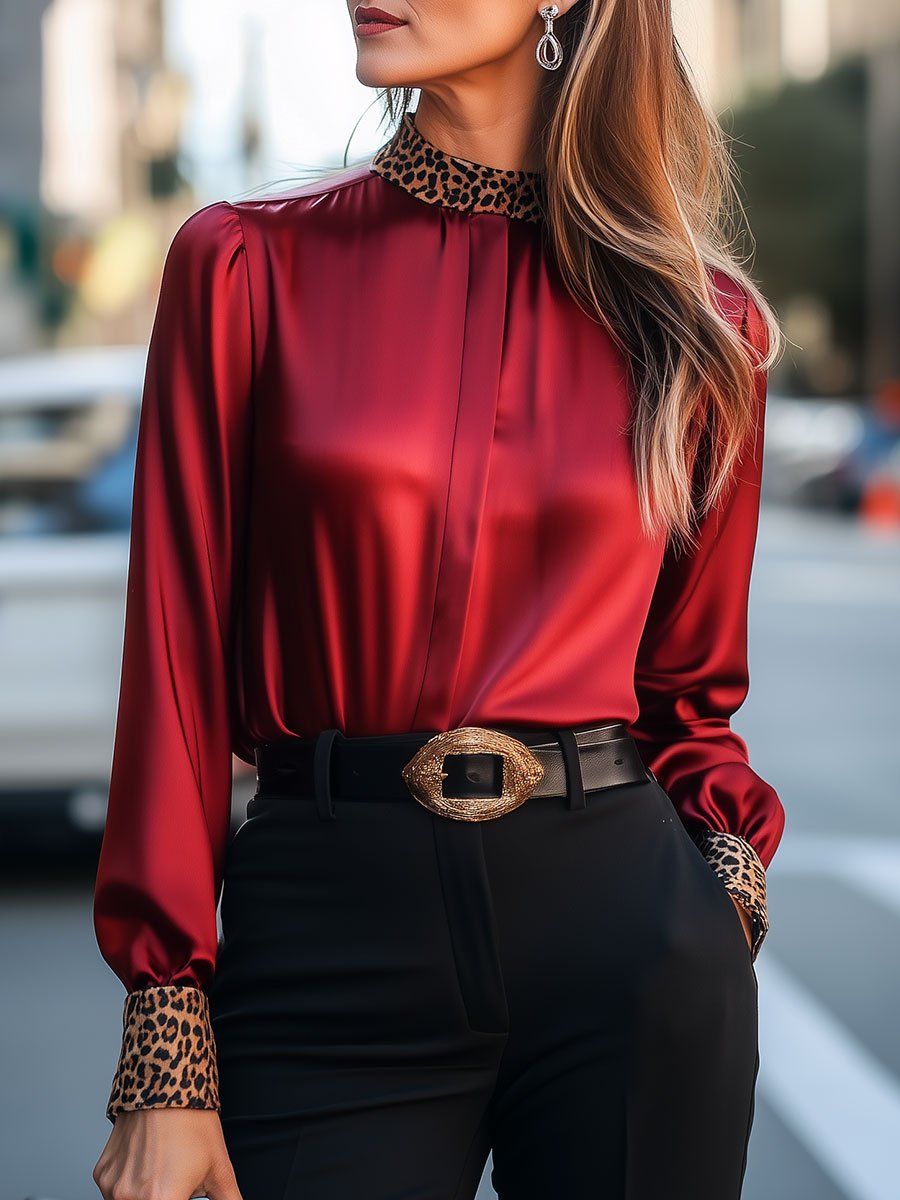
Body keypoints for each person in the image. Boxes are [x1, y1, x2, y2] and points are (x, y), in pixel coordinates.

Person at [91, 2, 786, 1198]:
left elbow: (689, 696)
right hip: (329, 934)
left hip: (627, 941)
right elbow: (177, 667)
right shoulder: (244, 265)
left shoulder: (699, 327)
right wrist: (167, 1044)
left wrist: (724, 893)